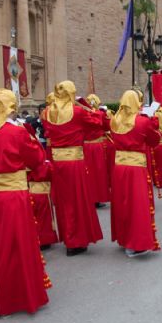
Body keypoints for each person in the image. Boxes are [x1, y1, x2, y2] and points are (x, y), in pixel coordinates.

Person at [0, 88, 50, 317]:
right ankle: (26, 295)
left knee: (2, 246)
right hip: (16, 195)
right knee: (22, 243)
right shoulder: (16, 133)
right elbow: (36, 159)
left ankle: (7, 297)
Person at [43, 81, 103, 256]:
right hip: (74, 162)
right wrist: (84, 105)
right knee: (76, 201)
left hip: (56, 161)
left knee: (63, 201)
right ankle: (75, 241)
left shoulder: (46, 113)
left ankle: (68, 236)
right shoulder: (77, 112)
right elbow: (98, 121)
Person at [109, 90, 161, 257]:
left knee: (122, 202)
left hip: (119, 166)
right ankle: (136, 242)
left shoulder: (114, 121)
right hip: (136, 167)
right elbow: (154, 140)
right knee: (138, 204)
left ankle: (124, 238)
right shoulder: (141, 121)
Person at [83, 94, 111, 207]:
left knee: (88, 172)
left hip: (85, 146)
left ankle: (88, 197)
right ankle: (98, 197)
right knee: (98, 172)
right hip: (97, 146)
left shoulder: (82, 113)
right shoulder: (100, 114)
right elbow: (107, 127)